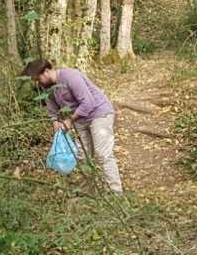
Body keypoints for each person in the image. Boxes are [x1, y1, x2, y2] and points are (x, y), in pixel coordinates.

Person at [23, 59, 124, 194]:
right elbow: (52, 109)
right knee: (83, 156)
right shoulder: (48, 88)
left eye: (38, 79)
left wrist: (70, 120)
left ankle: (116, 193)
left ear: (46, 71)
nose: (37, 82)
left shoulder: (71, 76)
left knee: (102, 154)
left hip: (99, 114)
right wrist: (55, 122)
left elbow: (88, 102)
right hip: (80, 120)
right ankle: (86, 193)